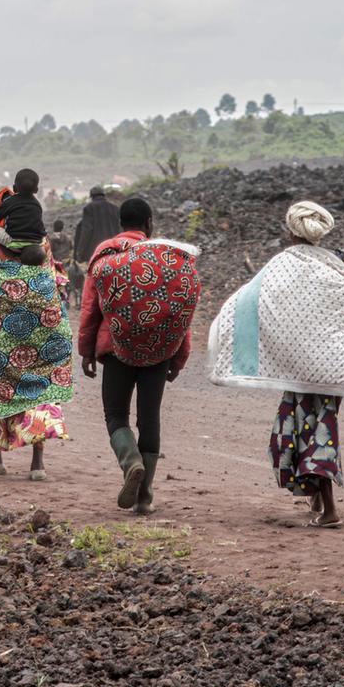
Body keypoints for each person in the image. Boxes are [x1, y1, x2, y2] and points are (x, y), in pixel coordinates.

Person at [208, 201, 344, 529]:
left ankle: (330, 509)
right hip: (334, 365)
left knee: (307, 430)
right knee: (318, 423)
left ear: (290, 230)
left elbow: (253, 301)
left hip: (299, 366)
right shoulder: (341, 260)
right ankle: (318, 500)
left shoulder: (282, 263)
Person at [79, 196, 201, 514]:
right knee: (150, 418)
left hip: (115, 349)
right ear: (149, 224)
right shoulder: (164, 257)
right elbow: (178, 311)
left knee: (115, 415)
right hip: (159, 350)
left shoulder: (105, 253)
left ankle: (130, 461)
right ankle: (145, 495)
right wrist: (179, 356)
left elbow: (91, 308)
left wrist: (86, 351)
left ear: (121, 223)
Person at [0, 189, 73, 480]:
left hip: (0, 330)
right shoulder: (42, 242)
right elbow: (55, 280)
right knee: (38, 385)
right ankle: (37, 465)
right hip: (44, 326)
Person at [0, 168, 46, 265]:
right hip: (35, 243)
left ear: (14, 187)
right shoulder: (37, 205)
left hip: (13, 242)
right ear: (36, 190)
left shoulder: (11, 201)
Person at [74, 186, 122, 265]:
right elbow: (119, 229)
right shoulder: (115, 208)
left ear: (92, 196)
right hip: (113, 249)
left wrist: (80, 251)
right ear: (103, 195)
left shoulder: (89, 208)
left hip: (95, 251)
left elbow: (86, 231)